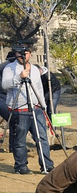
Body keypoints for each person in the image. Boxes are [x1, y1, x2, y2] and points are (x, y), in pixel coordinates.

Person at [1, 44, 54, 174]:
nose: (23, 56)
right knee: (20, 140)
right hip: (19, 109)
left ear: (30, 54)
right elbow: (4, 85)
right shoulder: (10, 68)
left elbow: (39, 89)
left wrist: (44, 107)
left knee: (42, 139)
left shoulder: (35, 69)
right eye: (20, 53)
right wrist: (19, 77)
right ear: (16, 54)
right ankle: (21, 166)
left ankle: (47, 166)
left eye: (26, 53)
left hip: (36, 109)